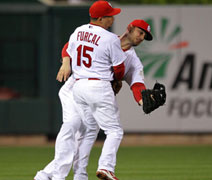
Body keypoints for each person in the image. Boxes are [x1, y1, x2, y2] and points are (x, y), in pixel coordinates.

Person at [34, 19, 153, 180]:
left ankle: (53, 175)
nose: (141, 37)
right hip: (73, 88)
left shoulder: (133, 61)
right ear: (130, 28)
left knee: (88, 132)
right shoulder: (106, 38)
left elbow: (137, 84)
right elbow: (70, 45)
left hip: (92, 93)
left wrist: (143, 101)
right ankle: (56, 176)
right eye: (140, 32)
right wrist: (66, 62)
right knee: (73, 125)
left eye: (145, 36)